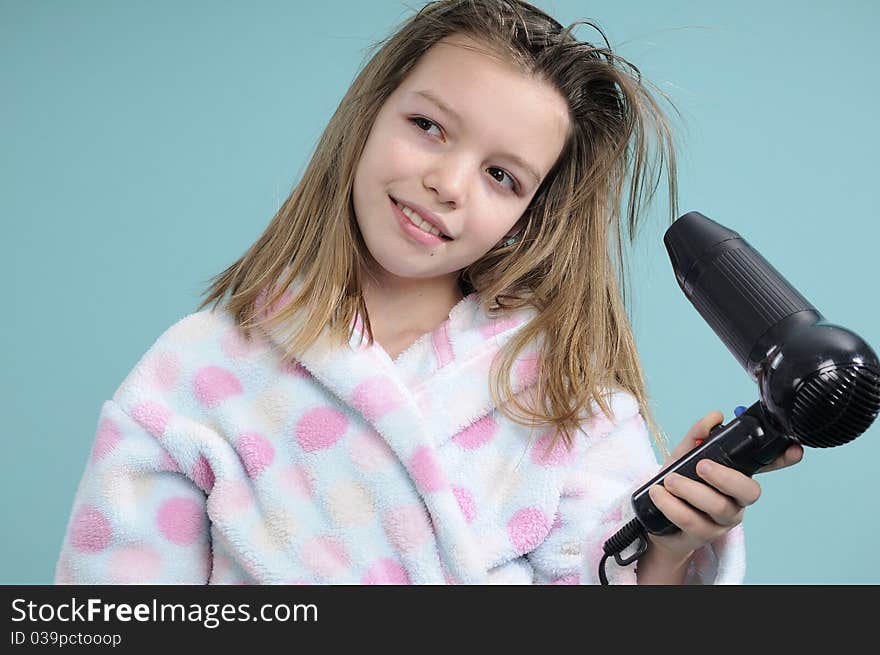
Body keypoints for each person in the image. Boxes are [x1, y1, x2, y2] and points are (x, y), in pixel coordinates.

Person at [54, 0, 802, 585]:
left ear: (526, 217)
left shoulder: (573, 405)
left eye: (501, 175)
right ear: (368, 116)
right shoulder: (193, 375)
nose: (446, 183)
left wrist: (668, 553)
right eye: (428, 126)